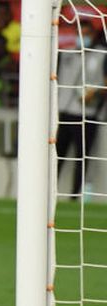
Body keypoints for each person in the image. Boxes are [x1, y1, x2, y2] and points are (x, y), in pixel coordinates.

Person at [56, 29, 107, 199]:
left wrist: (96, 92)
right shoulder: (65, 53)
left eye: (86, 33)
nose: (82, 37)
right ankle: (48, 191)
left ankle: (75, 196)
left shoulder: (101, 55)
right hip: (65, 111)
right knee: (56, 155)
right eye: (80, 33)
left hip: (88, 113)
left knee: (82, 157)